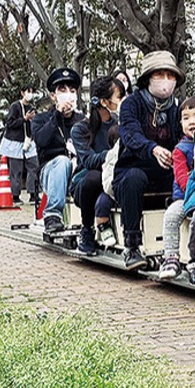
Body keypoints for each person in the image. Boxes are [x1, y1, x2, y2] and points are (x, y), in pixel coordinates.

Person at [114, 50, 185, 270]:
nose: (165, 81)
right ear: (147, 78)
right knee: (134, 178)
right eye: (159, 74)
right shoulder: (131, 105)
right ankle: (132, 246)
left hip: (167, 172)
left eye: (170, 75)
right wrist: (152, 149)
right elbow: (130, 135)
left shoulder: (178, 108)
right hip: (133, 169)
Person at [158, 97, 195, 284]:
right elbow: (181, 176)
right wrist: (191, 193)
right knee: (171, 215)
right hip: (184, 196)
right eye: (186, 118)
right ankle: (170, 257)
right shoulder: (180, 149)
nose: (191, 122)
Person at [69, 75, 126, 255]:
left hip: (112, 178)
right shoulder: (80, 129)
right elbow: (89, 161)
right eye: (119, 97)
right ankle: (87, 229)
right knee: (94, 177)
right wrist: (113, 154)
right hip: (86, 183)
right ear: (103, 101)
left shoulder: (121, 125)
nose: (123, 102)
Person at [31, 67, 85, 234]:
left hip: (78, 169)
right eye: (62, 90)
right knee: (63, 161)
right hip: (51, 171)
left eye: (72, 90)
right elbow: (41, 140)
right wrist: (57, 115)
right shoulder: (41, 119)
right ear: (53, 96)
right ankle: (52, 214)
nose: (68, 94)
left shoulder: (83, 120)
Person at [0, 85, 40, 204]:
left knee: (34, 166)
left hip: (29, 140)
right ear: (22, 93)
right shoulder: (15, 106)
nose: (30, 94)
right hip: (15, 142)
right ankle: (15, 196)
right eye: (28, 91)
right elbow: (10, 123)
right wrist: (24, 118)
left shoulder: (32, 107)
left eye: (32, 91)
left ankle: (33, 193)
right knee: (15, 170)